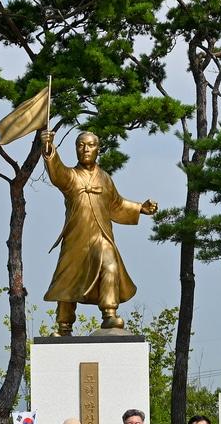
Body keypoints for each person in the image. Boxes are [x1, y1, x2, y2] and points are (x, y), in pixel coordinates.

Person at [40, 128, 158, 333]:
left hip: (101, 237)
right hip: (76, 239)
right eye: (80, 145)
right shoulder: (71, 176)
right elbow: (57, 173)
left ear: (98, 149)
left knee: (110, 265)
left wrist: (140, 208)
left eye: (91, 145)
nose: (85, 149)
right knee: (68, 280)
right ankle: (64, 325)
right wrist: (49, 148)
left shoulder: (104, 178)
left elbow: (116, 205)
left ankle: (109, 312)